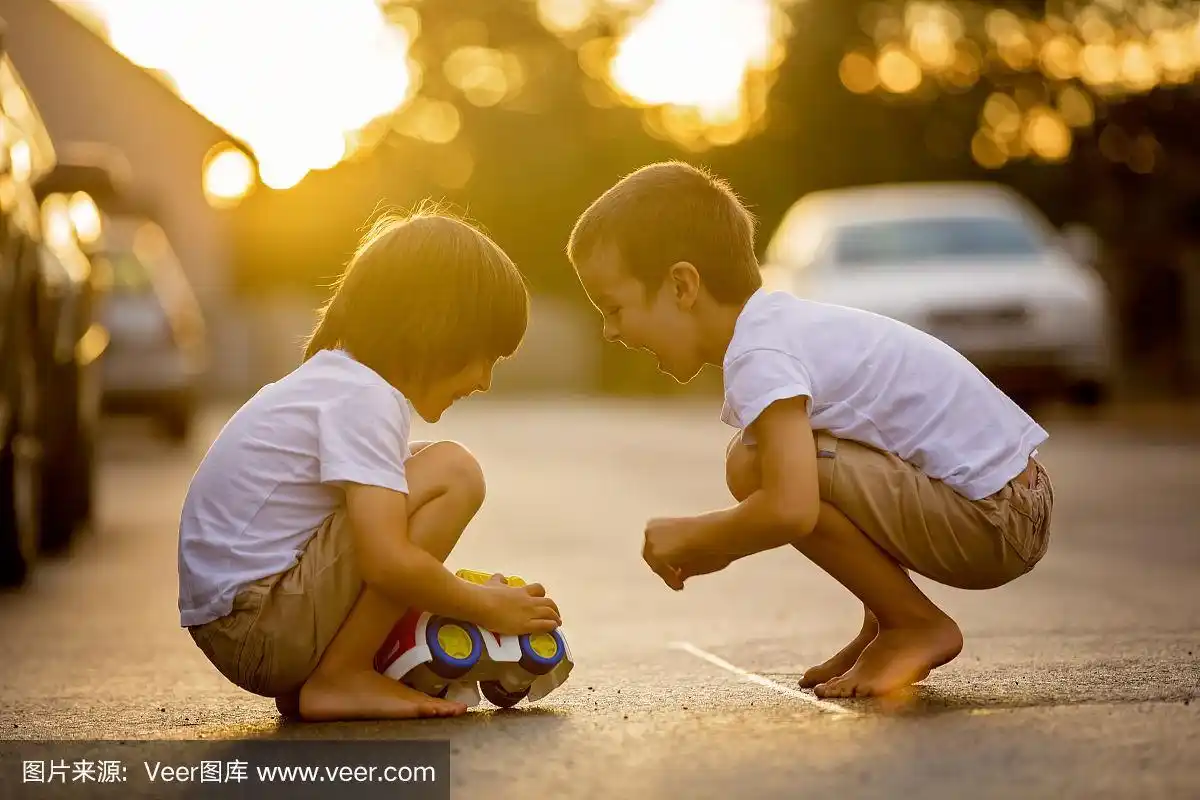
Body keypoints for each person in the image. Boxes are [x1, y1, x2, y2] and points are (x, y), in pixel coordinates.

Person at [566, 162, 1054, 698]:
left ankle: (913, 623)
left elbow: (790, 507)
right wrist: (728, 537)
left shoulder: (761, 352)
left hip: (993, 520)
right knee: (767, 459)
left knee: (756, 468)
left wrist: (702, 537)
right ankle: (888, 622)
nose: (611, 331)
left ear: (683, 285)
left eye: (614, 308)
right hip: (1009, 502)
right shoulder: (779, 326)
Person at [179, 208, 561, 721]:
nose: (484, 381)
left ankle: (328, 675)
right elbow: (386, 560)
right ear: (436, 330)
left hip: (252, 622)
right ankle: (342, 675)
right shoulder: (365, 397)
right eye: (483, 356)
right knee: (454, 471)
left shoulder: (340, 384)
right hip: (260, 624)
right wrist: (480, 605)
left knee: (422, 463)